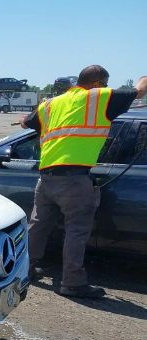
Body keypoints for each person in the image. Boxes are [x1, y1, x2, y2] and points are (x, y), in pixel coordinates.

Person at [21, 65, 147, 298]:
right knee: (77, 231)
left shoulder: (51, 104)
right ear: (98, 83)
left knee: (37, 226)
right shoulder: (98, 98)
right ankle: (72, 282)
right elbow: (139, 91)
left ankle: (25, 269)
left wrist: (31, 122)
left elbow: (26, 122)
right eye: (105, 84)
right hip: (75, 180)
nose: (107, 89)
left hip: (46, 178)